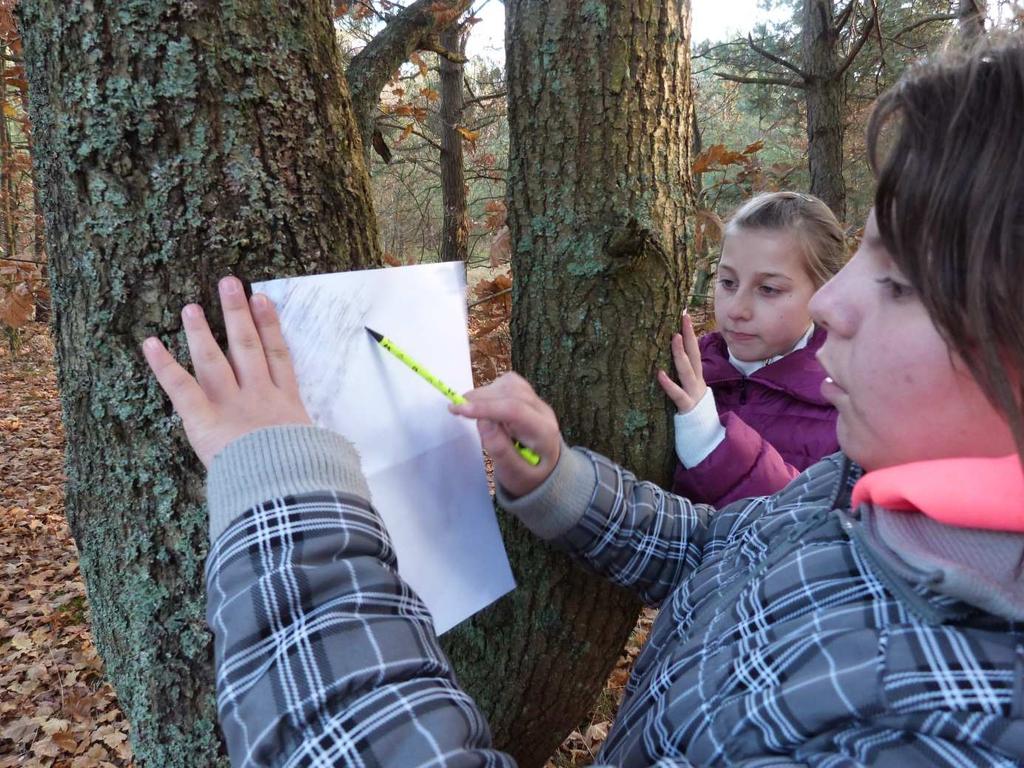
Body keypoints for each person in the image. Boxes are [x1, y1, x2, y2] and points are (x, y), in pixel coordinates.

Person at [144, 36, 1024, 767]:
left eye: (902, 284)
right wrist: (562, 481)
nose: (833, 306)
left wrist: (287, 514)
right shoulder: (871, 486)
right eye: (866, 254)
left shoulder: (952, 733)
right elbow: (734, 554)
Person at [659, 192, 844, 507]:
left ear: (825, 293)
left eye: (768, 289)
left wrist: (708, 441)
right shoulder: (687, 367)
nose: (736, 310)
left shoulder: (847, 406)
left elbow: (807, 526)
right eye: (728, 282)